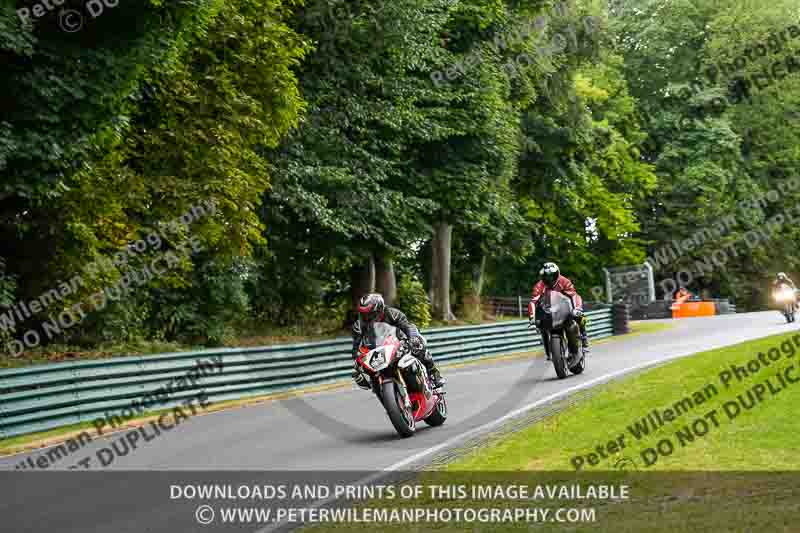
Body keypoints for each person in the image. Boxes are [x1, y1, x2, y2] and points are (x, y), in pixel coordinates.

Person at [351, 293, 446, 391]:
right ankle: (378, 387)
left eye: (369, 314)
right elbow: (356, 347)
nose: (366, 317)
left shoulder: (392, 314)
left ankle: (433, 373)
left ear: (378, 310)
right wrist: (357, 359)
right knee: (362, 370)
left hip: (399, 343)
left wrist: (413, 337)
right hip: (378, 352)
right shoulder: (358, 326)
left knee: (418, 345)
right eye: (363, 314)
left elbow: (408, 326)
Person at [527, 262, 589, 360]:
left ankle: (584, 336)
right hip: (549, 310)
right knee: (540, 324)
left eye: (552, 276)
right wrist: (532, 319)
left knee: (579, 316)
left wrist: (577, 308)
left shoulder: (564, 281)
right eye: (546, 276)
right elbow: (533, 302)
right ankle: (548, 351)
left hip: (565, 308)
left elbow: (574, 295)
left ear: (557, 274)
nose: (549, 279)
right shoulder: (539, 286)